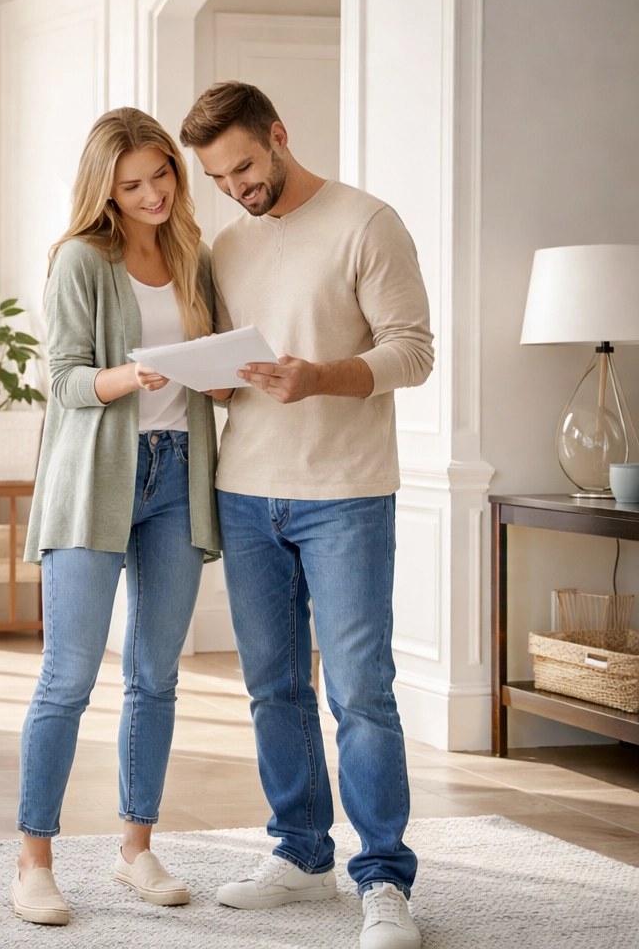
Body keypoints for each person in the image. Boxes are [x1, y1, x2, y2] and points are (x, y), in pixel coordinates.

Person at [178, 81, 434, 949]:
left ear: (280, 135)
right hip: (247, 493)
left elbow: (414, 352)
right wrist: (210, 378)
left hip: (348, 494)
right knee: (274, 690)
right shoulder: (225, 244)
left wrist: (319, 376)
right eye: (219, 177)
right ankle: (299, 854)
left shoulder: (368, 222)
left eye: (245, 165)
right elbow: (225, 370)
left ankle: (384, 881)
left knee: (361, 692)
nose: (238, 186)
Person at [12, 107, 222, 926]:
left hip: (176, 474)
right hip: (96, 477)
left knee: (156, 676)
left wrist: (226, 371)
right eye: (131, 184)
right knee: (67, 677)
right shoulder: (79, 260)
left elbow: (211, 373)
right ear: (106, 188)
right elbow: (63, 380)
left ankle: (136, 848)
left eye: (160, 175)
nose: (151, 195)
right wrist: (126, 378)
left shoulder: (192, 256)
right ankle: (33, 859)